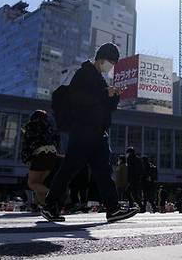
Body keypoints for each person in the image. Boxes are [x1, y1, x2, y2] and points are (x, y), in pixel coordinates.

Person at [42, 43, 138, 223]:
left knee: (102, 171)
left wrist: (114, 95)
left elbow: (106, 107)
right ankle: (50, 206)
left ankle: (113, 208)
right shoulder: (84, 73)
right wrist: (104, 93)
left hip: (97, 132)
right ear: (101, 59)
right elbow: (79, 99)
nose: (111, 67)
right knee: (70, 169)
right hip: (83, 130)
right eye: (110, 62)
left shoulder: (99, 78)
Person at [21, 110, 60, 207]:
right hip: (52, 154)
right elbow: (57, 139)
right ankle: (42, 205)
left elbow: (27, 143)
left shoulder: (31, 126)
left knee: (32, 183)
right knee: (40, 183)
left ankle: (54, 194)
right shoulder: (49, 126)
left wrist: (26, 158)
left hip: (40, 154)